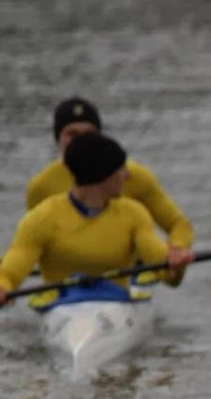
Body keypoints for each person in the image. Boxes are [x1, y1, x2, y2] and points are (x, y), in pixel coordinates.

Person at [0, 132, 195, 308]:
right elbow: (10, 271)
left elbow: (166, 274)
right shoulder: (42, 218)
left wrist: (175, 264)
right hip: (61, 305)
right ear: (102, 174)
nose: (127, 176)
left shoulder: (133, 214)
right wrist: (2, 287)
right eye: (121, 169)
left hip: (117, 302)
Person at [25, 96, 194, 269]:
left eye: (89, 134)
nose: (80, 141)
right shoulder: (41, 186)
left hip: (128, 271)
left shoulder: (135, 176)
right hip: (68, 279)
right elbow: (34, 242)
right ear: (58, 139)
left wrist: (178, 248)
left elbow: (178, 224)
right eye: (72, 134)